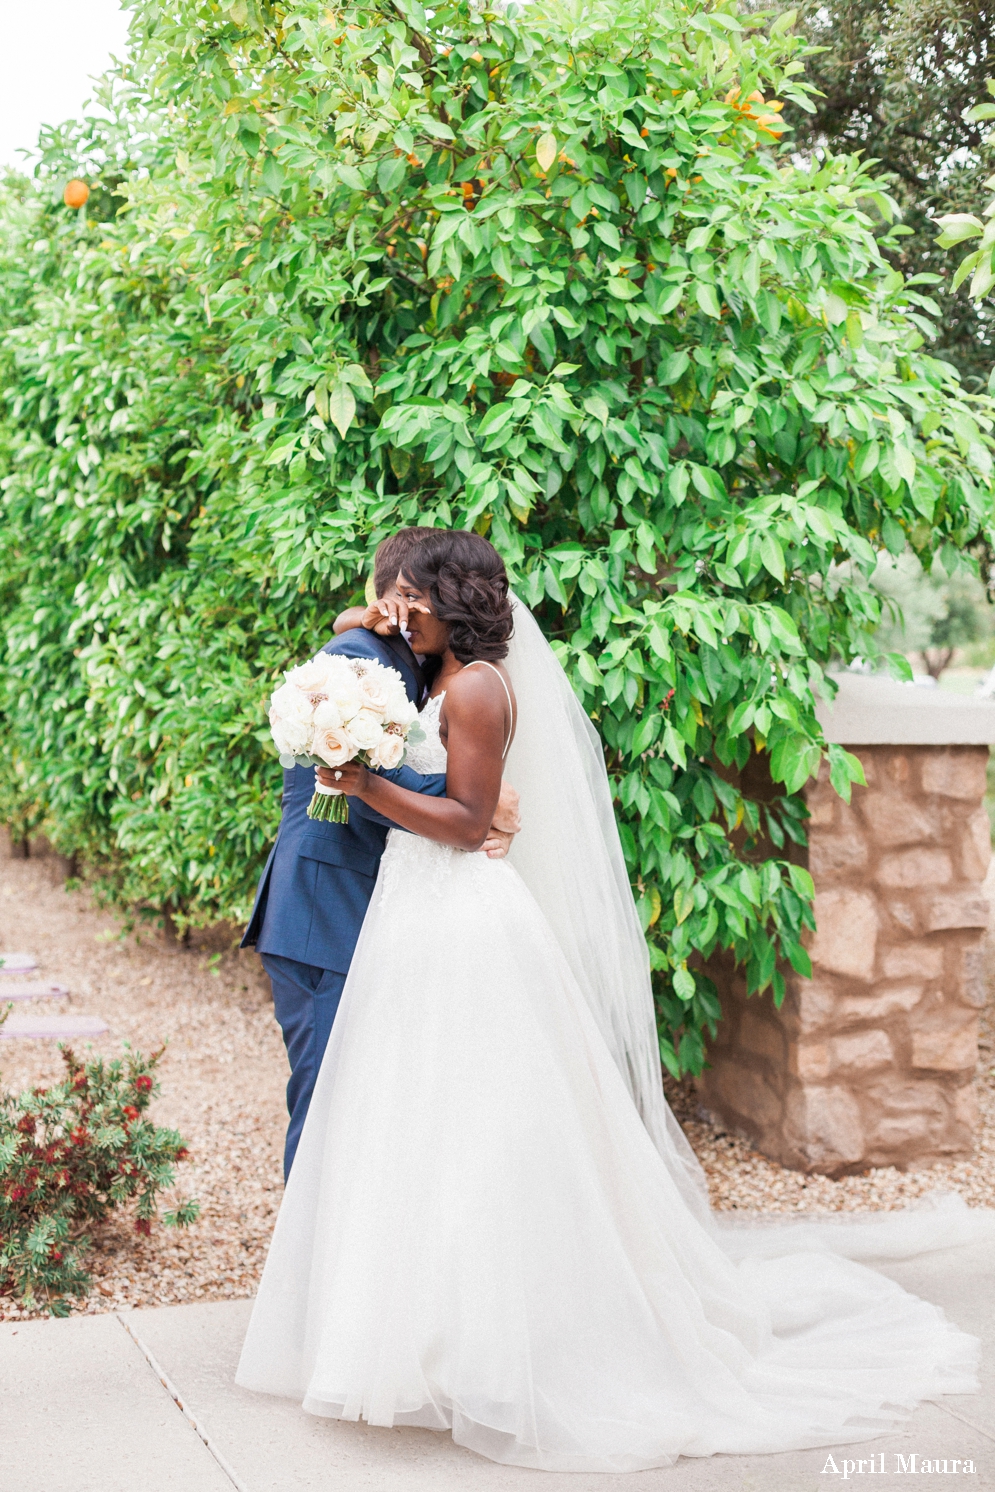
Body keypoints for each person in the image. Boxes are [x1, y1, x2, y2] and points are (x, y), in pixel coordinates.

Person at [237, 530, 991, 1473]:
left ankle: (485, 1337)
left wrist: (362, 784)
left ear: (433, 597)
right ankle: (421, 1325)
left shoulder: (472, 688)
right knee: (420, 1119)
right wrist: (367, 643)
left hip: (457, 917)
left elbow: (470, 823)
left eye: (403, 597)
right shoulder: (437, 671)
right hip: (414, 915)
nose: (393, 612)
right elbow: (435, 753)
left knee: (473, 1127)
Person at [241, 526, 521, 1177]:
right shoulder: (355, 656)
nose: (404, 611)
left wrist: (485, 799)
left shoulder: (428, 663)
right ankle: (305, 1273)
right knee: (325, 1105)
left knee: (376, 1104)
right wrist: (485, 801)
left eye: (413, 596)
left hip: (390, 909)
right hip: (322, 910)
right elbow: (362, 764)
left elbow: (439, 786)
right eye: (395, 596)